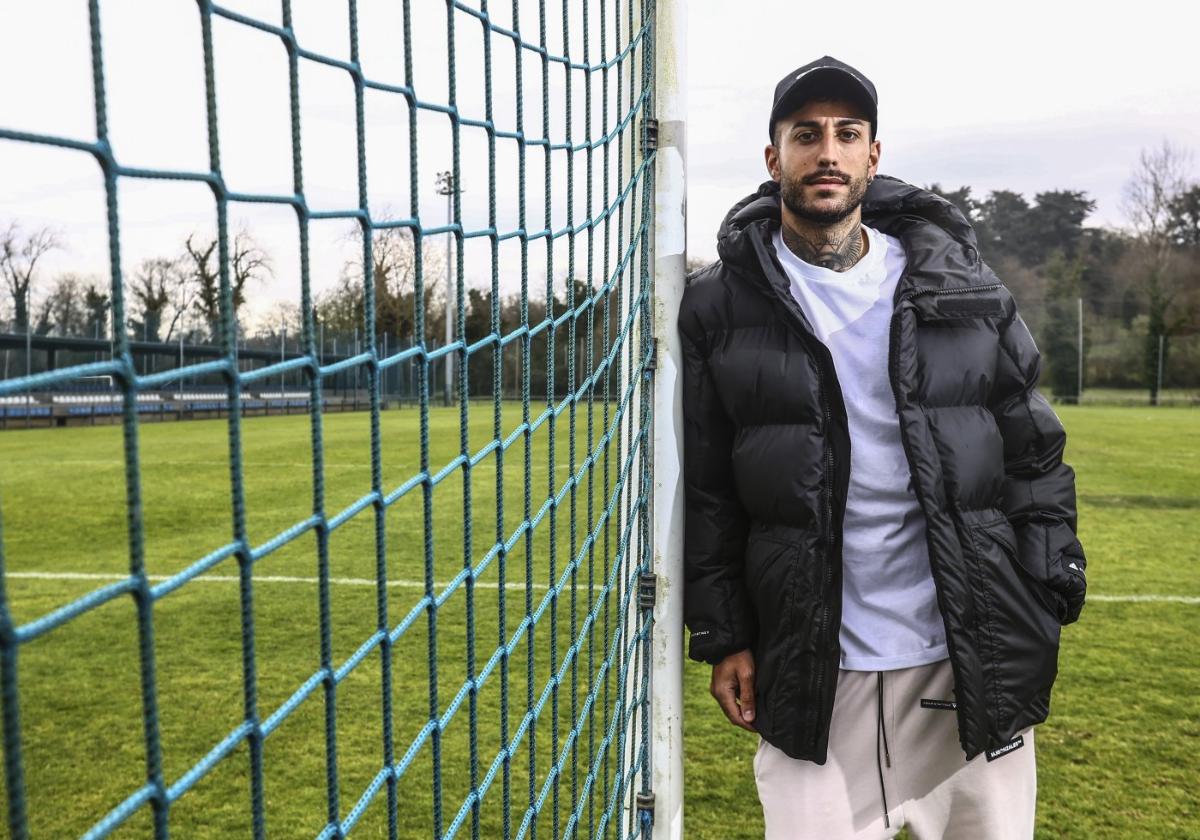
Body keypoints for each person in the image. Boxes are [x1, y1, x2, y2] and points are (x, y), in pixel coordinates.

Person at [678, 56, 1087, 840]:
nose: (826, 151)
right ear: (775, 160)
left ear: (873, 154)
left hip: (968, 648)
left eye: (847, 133)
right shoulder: (717, 306)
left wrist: (1048, 577)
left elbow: (1033, 450)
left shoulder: (959, 287)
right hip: (814, 662)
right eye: (806, 135)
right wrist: (724, 632)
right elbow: (708, 486)